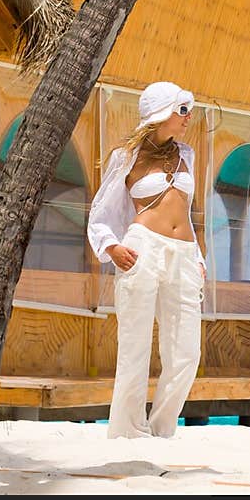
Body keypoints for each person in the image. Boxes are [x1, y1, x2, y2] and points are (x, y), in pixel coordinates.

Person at [87, 79, 207, 439]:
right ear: (160, 114)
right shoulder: (126, 158)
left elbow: (189, 212)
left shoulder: (187, 155)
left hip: (183, 255)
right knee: (134, 346)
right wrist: (111, 246)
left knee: (187, 353)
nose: (187, 117)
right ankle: (128, 434)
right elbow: (101, 212)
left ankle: (161, 430)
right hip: (141, 250)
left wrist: (198, 257)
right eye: (181, 110)